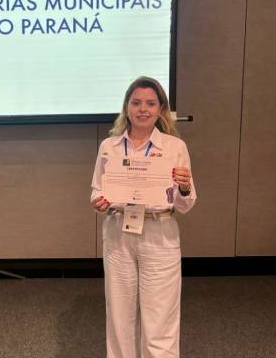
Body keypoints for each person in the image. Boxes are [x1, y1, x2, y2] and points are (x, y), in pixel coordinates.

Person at [90, 76, 196, 358]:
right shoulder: (109, 146)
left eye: (150, 103)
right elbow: (97, 189)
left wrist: (184, 187)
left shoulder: (174, 147)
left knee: (160, 318)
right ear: (126, 107)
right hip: (118, 231)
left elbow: (185, 204)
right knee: (119, 316)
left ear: (161, 109)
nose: (143, 109)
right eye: (136, 103)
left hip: (159, 233)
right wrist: (98, 202)